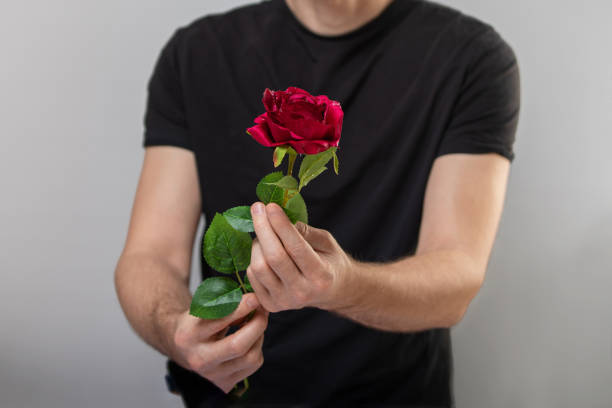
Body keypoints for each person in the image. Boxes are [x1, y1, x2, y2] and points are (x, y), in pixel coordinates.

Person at [114, 0, 520, 406]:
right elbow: (151, 255)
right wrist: (176, 333)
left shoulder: (470, 58)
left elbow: (456, 276)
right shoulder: (196, 54)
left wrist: (341, 286)